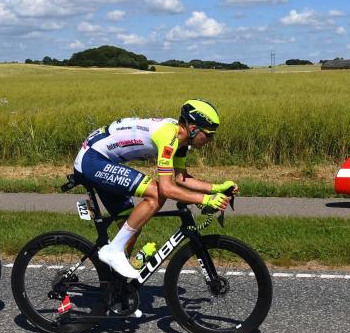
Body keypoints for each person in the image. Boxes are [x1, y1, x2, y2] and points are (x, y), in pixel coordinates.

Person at [72, 99, 237, 280]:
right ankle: (113, 251)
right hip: (92, 160)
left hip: (104, 160)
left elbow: (181, 178)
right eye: (209, 134)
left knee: (132, 223)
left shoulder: (181, 141)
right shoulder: (169, 137)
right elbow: (166, 188)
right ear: (193, 128)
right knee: (156, 193)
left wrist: (216, 188)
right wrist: (204, 200)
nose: (211, 140)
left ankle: (118, 289)